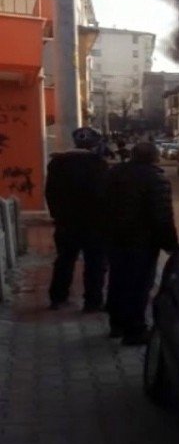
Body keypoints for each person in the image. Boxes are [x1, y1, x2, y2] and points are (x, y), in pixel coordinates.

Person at [106, 142, 178, 345]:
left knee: (117, 280)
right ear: (154, 157)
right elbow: (162, 216)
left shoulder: (114, 174)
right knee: (139, 285)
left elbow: (102, 203)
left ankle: (116, 324)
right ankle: (135, 330)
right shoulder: (156, 179)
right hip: (142, 242)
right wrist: (171, 244)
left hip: (115, 238)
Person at [45, 127, 109, 312]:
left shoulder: (57, 163)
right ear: (94, 144)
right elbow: (103, 195)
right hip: (94, 224)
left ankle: (57, 297)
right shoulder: (98, 164)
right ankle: (92, 302)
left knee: (64, 260)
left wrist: (57, 216)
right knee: (95, 263)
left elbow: (50, 193)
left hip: (66, 223)